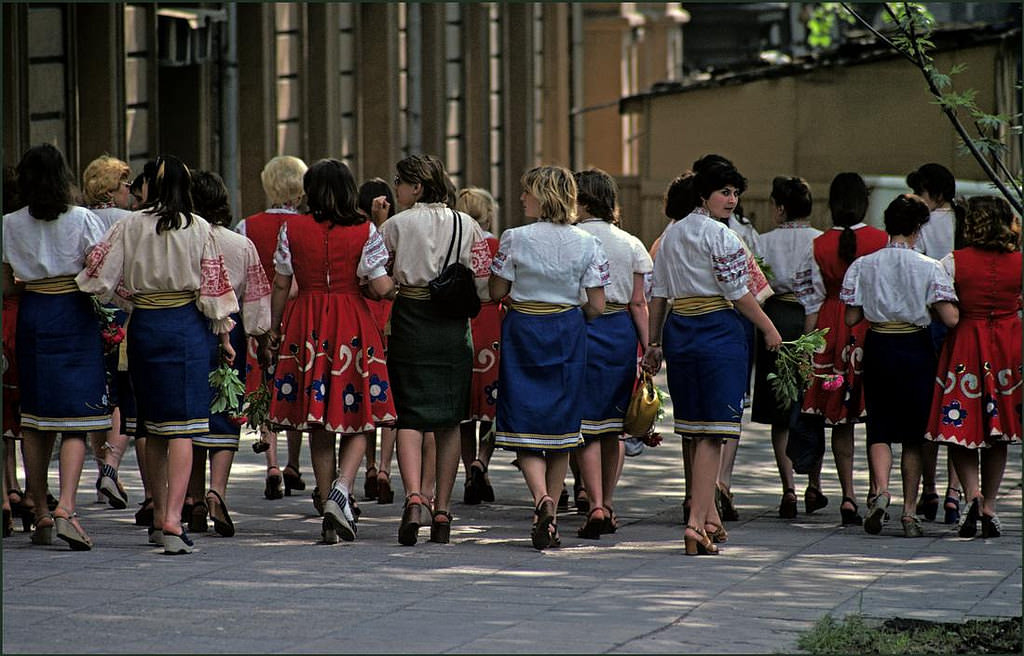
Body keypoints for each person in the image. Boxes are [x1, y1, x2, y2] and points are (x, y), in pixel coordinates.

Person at [77, 154, 239, 555]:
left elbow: (98, 274)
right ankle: (172, 520)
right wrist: (225, 338)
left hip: (145, 327)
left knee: (151, 427)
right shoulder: (199, 227)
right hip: (186, 328)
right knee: (183, 426)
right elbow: (214, 293)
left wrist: (128, 298)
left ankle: (158, 514)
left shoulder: (130, 225)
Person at [642, 156, 781, 555]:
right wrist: (769, 328)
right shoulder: (722, 236)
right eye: (724, 192)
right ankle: (694, 524)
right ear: (703, 194)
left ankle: (708, 518)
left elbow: (659, 294)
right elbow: (738, 293)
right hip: (719, 332)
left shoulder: (670, 235)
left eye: (735, 193)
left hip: (681, 333)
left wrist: (654, 343)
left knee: (695, 429)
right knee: (714, 432)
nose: (732, 200)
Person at [265, 159, 396, 543]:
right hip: (352, 321)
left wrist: (274, 328)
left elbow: (280, 284)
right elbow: (381, 285)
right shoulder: (364, 230)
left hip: (306, 322)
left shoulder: (292, 228)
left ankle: (327, 504)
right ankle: (343, 487)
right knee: (360, 413)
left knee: (317, 417)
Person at [489, 165, 607, 549]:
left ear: (542, 196)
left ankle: (541, 499)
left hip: (524, 329)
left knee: (523, 419)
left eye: (527, 191)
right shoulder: (588, 242)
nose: (522, 197)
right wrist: (569, 310)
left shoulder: (514, 237)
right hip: (567, 334)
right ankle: (550, 516)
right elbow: (597, 305)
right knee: (562, 428)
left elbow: (496, 291)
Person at [2, 144, 111, 551]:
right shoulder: (82, 219)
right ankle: (66, 506)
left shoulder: (8, 224)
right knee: (75, 417)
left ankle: (40, 511)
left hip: (33, 313)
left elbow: (6, 285)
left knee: (34, 416)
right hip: (73, 313)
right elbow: (101, 271)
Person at [379, 154, 490, 546]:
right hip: (452, 327)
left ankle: (413, 498)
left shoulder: (395, 225)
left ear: (417, 186)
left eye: (399, 181)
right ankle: (442, 510)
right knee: (449, 420)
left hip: (410, 319)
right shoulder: (468, 224)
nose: (396, 188)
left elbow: (371, 270)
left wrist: (392, 286)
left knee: (409, 416)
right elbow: (483, 283)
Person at [841, 194, 958, 538]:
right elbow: (950, 318)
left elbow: (851, 317)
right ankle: (909, 512)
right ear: (918, 228)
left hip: (879, 345)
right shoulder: (929, 266)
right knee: (913, 434)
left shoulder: (864, 265)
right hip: (915, 347)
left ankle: (880, 491)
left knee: (879, 427)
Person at [794, 172, 888, 526]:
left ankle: (848, 494)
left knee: (839, 418)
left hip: (831, 329)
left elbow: (811, 300)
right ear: (864, 201)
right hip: (871, 327)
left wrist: (806, 348)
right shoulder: (881, 240)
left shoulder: (818, 245)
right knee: (875, 415)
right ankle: (876, 490)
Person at [926, 195, 1021, 539]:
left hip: (966, 344)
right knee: (1000, 432)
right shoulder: (1019, 262)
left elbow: (947, 313)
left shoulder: (952, 262)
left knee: (959, 424)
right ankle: (990, 505)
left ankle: (972, 494)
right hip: (1008, 347)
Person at [186, 171, 271, 537]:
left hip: (189, 326)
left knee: (190, 415)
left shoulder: (183, 240)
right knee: (225, 409)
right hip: (230, 330)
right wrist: (260, 337)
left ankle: (192, 498)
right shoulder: (240, 244)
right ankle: (217, 491)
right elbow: (256, 297)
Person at [572, 169, 651, 538]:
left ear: (582, 200)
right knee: (615, 427)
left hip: (582, 327)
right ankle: (608, 500)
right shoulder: (630, 243)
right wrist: (649, 347)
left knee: (587, 424)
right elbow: (638, 302)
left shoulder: (573, 238)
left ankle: (595, 504)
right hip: (620, 333)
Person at [236, 155, 309, 502]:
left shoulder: (247, 226)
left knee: (264, 384)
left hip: (260, 313)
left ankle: (273, 464)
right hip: (297, 314)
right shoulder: (307, 226)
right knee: (292, 383)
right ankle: (294, 462)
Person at [750, 176, 824, 519]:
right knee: (811, 405)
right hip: (813, 317)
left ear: (779, 208)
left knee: (780, 411)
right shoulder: (820, 240)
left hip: (775, 318)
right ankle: (814, 484)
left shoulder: (763, 241)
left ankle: (789, 489)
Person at [906, 162, 966, 524]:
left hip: (931, 321)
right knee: (958, 406)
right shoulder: (964, 221)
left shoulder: (924, 225)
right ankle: (954, 493)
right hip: (966, 321)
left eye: (921, 192)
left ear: (936, 194)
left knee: (929, 409)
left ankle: (928, 488)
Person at [81, 154, 135, 511]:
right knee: (122, 393)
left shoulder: (81, 219)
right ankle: (111, 469)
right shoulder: (129, 221)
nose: (130, 190)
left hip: (88, 313)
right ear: (112, 189)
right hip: (124, 312)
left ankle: (103, 469)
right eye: (126, 184)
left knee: (97, 394)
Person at [456, 186, 503, 506]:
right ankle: (482, 461)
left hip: (460, 321)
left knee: (464, 410)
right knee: (492, 403)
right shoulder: (495, 245)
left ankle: (468, 471)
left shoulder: (454, 244)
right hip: (491, 322)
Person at [356, 177, 399, 504]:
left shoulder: (357, 231)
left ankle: (370, 466)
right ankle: (384, 468)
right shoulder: (393, 231)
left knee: (367, 394)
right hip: (391, 312)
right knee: (389, 396)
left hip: (364, 315)